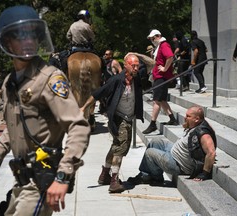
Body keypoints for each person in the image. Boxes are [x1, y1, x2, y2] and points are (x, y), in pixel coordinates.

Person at [0, 5, 90, 215]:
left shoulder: (50, 78)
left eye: (33, 35)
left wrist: (63, 174)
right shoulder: (9, 82)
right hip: (21, 182)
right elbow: (12, 128)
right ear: (6, 42)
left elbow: (79, 126)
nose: (28, 41)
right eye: (21, 35)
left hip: (42, 182)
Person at [80, 54, 144, 193]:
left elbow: (151, 64)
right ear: (125, 65)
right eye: (133, 65)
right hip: (118, 118)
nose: (136, 68)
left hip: (128, 117)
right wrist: (84, 108)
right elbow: (98, 93)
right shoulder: (116, 80)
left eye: (137, 65)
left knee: (116, 146)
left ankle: (105, 175)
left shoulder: (137, 78)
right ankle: (114, 180)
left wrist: (138, 55)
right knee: (120, 147)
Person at [128, 105, 217, 185]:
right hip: (175, 152)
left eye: (188, 116)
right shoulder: (198, 124)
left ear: (197, 119)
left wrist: (204, 174)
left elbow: (211, 152)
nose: (185, 118)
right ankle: (145, 174)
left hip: (180, 165)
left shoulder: (203, 133)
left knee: (150, 153)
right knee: (155, 141)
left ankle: (156, 178)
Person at [142, 29, 178, 135]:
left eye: (153, 38)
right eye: (150, 39)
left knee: (156, 100)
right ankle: (172, 119)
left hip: (161, 77)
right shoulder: (159, 46)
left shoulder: (164, 45)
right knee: (161, 100)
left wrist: (165, 68)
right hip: (158, 76)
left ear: (158, 36)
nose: (152, 40)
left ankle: (153, 124)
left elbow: (170, 57)